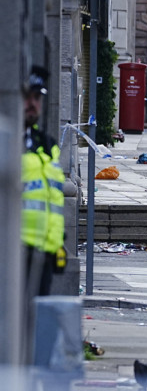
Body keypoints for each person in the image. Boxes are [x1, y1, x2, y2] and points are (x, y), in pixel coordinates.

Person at [22, 66, 65, 302]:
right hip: (14, 253)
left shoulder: (46, 145)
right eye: (27, 96)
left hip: (45, 255)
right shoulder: (9, 141)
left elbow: (52, 200)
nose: (32, 104)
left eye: (37, 97)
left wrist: (57, 246)